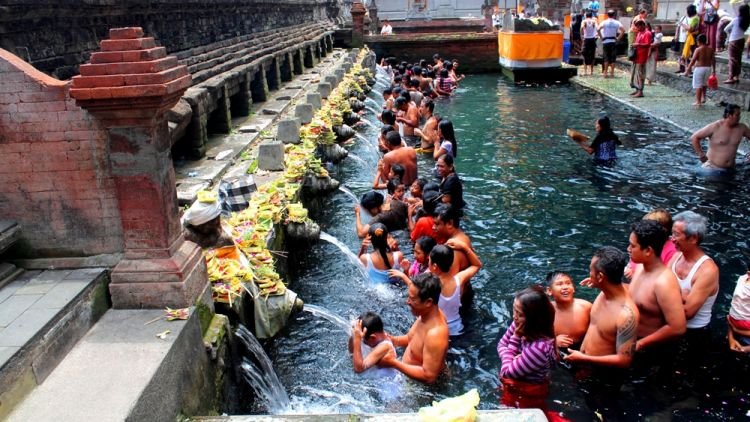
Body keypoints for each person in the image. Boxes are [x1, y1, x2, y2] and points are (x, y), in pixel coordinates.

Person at [563, 247, 639, 419]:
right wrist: (598, 284)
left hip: (603, 378)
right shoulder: (606, 293)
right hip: (583, 365)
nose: (588, 273)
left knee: (600, 413)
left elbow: (625, 360)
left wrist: (584, 358)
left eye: (591, 270)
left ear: (601, 276)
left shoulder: (626, 314)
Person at [627, 220, 687, 353]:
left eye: (633, 246)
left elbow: (678, 327)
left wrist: (640, 344)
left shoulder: (664, 283)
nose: (628, 249)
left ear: (648, 250)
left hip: (649, 349)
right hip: (630, 339)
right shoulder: (640, 267)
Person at [379, 273, 450, 384]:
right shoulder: (426, 315)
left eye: (412, 299)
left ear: (428, 302)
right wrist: (391, 339)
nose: (407, 302)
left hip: (421, 388)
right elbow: (410, 339)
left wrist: (393, 363)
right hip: (406, 375)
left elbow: (429, 377)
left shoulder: (436, 334)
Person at [496, 285, 557, 411]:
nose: (514, 317)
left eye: (520, 314)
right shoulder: (519, 323)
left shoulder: (538, 348)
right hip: (516, 383)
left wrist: (515, 339)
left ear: (534, 319)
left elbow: (506, 373)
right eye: (514, 311)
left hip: (529, 392)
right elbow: (501, 344)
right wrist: (512, 360)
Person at [668, 211, 719, 360]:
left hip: (694, 333)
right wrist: (681, 294)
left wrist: (668, 293)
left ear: (694, 238)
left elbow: (688, 312)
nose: (672, 239)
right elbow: (658, 287)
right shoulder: (676, 256)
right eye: (672, 234)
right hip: (670, 327)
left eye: (676, 235)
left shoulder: (708, 270)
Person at [427, 240, 482, 336]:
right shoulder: (459, 280)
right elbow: (477, 265)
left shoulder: (431, 284)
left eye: (429, 260)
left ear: (435, 266)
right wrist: (465, 247)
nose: (428, 263)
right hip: (458, 328)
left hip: (438, 331)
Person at [689, 103, 750, 171]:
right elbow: (694, 137)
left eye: (739, 115)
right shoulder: (715, 126)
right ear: (729, 115)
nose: (739, 117)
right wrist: (701, 154)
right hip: (712, 168)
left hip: (731, 168)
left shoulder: (742, 128)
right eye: (737, 115)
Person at [545, 271, 592, 349]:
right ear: (549, 291)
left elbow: (602, 330)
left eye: (568, 283)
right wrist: (553, 342)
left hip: (583, 349)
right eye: (559, 284)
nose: (565, 287)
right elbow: (531, 337)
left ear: (573, 288)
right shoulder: (544, 311)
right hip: (556, 352)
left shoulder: (586, 307)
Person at [684, 34, 716, 107]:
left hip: (699, 68)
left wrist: (687, 70)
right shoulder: (710, 49)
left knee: (698, 85)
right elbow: (713, 60)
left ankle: (698, 101)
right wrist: (714, 70)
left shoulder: (698, 49)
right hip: (708, 68)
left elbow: (693, 60)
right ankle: (703, 97)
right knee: (704, 84)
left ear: (698, 41)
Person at [723, 4, 750, 84]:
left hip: (733, 40)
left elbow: (725, 29)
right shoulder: (747, 20)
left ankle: (731, 77)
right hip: (741, 40)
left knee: (732, 59)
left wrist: (730, 33)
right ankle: (736, 76)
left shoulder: (736, 19)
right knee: (738, 59)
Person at [728, 267, 750, 352]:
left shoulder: (742, 279)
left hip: (735, 325)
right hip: (739, 335)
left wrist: (733, 332)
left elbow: (733, 310)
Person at [598, 10, 625, 78]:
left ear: (607, 15)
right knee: (613, 58)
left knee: (606, 57)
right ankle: (612, 73)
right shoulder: (617, 22)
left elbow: (598, 29)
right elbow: (623, 31)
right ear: (614, 15)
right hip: (613, 41)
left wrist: (601, 37)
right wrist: (618, 38)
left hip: (606, 41)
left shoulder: (604, 22)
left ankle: (605, 73)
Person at [629, 20, 652, 98]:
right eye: (636, 26)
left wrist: (638, 44)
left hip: (642, 56)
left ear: (642, 25)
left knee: (640, 74)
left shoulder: (647, 33)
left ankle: (640, 91)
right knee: (635, 74)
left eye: (638, 26)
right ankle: (636, 88)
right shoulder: (639, 33)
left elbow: (648, 44)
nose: (637, 28)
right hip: (636, 56)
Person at [682, 5, 701, 70]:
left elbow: (690, 29)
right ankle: (689, 69)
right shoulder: (697, 17)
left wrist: (683, 25)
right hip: (693, 36)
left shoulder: (694, 19)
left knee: (689, 53)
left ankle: (689, 69)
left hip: (692, 37)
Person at [581, 11, 599, 76]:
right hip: (592, 39)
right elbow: (598, 28)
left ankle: (585, 71)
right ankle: (591, 71)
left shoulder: (584, 21)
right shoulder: (594, 21)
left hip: (586, 39)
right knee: (592, 55)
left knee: (584, 54)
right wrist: (597, 34)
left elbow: (582, 27)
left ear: (586, 16)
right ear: (591, 16)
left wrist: (581, 35)